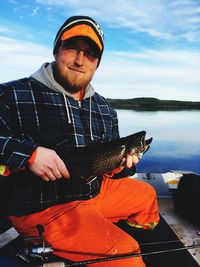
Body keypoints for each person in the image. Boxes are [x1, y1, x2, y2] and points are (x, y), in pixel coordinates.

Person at [0, 15, 159, 267]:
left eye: (90, 54)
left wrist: (122, 167)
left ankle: (97, 233)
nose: (79, 60)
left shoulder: (105, 108)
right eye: (72, 48)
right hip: (41, 205)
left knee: (146, 196)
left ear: (98, 62)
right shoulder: (11, 94)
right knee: (126, 255)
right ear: (56, 50)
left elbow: (111, 167)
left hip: (91, 191)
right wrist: (28, 154)